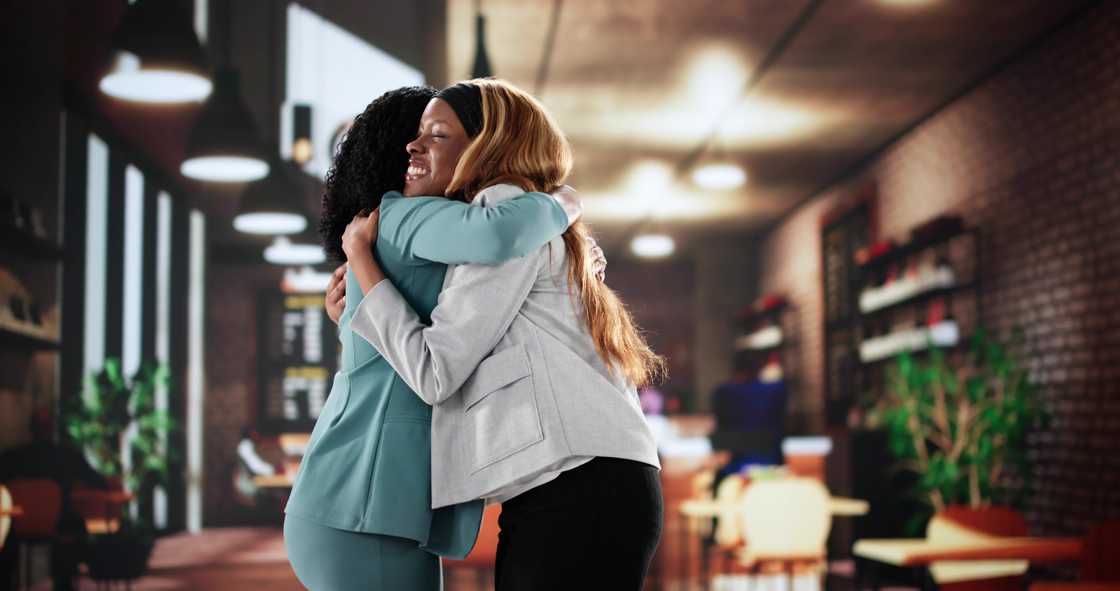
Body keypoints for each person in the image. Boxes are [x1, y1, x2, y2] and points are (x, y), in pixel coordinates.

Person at [344, 79, 666, 591]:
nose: (415, 144)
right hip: (590, 479)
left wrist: (363, 262)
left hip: (573, 484)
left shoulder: (501, 208)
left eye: (439, 134)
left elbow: (434, 371)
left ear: (486, 145)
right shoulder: (534, 219)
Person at [282, 85, 581, 591]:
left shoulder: (397, 235)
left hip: (361, 501)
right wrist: (566, 203)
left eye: (436, 135)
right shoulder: (406, 215)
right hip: (364, 502)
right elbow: (499, 234)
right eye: (417, 135)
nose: (415, 148)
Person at [0, 408, 109, 591]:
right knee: (73, 530)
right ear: (52, 429)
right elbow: (98, 482)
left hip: (19, 526)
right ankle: (65, 584)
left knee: (6, 533)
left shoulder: (13, 457)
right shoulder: (67, 456)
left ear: (31, 429)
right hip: (59, 525)